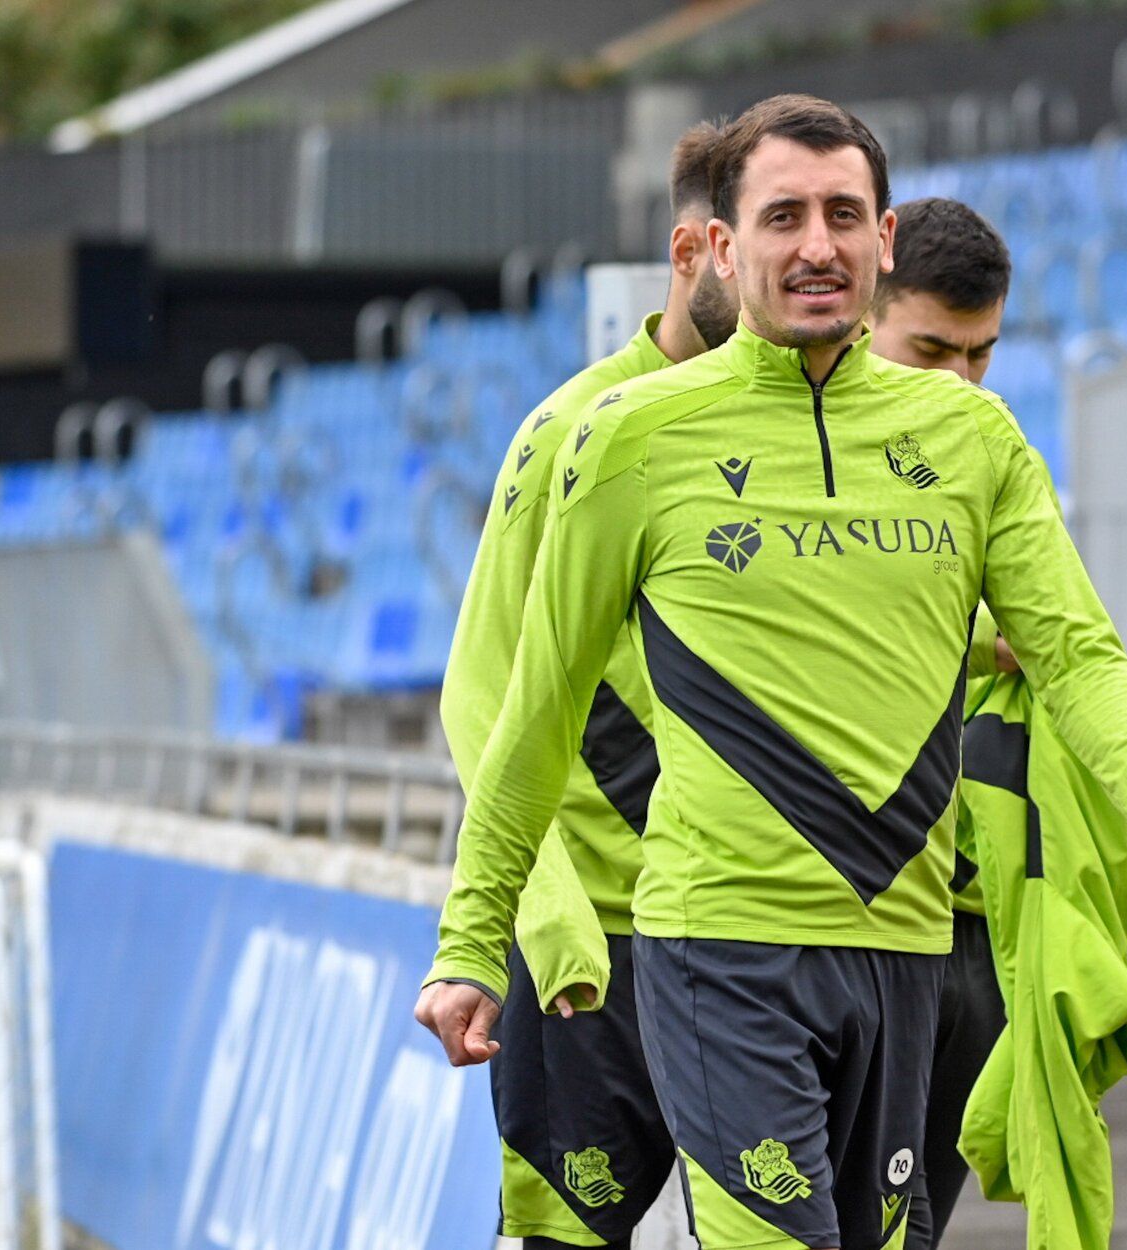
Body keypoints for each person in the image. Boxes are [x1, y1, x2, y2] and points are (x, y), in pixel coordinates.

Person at [418, 94, 1127, 1250]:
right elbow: (529, 706)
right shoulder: (623, 438)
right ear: (726, 242)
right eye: (785, 216)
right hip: (714, 940)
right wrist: (476, 938)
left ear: (884, 238)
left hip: (903, 947)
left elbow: (1075, 651)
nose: (817, 245)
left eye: (843, 215)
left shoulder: (976, 442)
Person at [420, 121, 738, 1250]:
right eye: (745, 250)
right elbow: (479, 689)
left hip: (754, 934)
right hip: (596, 946)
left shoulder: (808, 434)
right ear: (695, 249)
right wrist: (546, 914)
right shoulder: (569, 429)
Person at [867, 196, 1009, 1249]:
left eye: (981, 355)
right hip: (810, 928)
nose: (960, 382)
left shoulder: (988, 459)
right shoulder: (776, 457)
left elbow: (1073, 642)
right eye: (931, 350)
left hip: (965, 918)